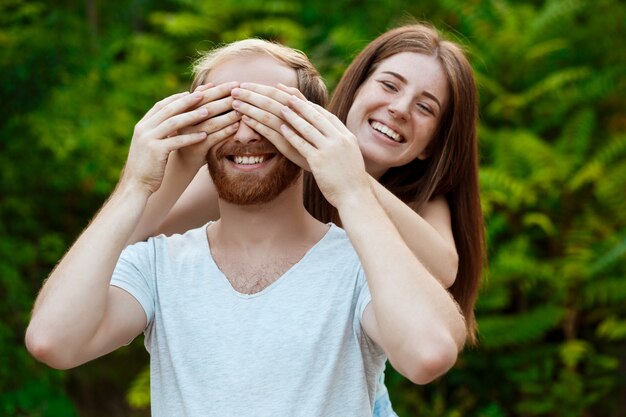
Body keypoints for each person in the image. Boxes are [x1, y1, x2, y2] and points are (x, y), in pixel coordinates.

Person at [25, 39, 466, 417]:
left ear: (311, 126)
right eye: (223, 109)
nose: (247, 131)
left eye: (270, 111)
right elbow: (52, 340)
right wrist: (138, 181)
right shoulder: (159, 264)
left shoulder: (370, 262)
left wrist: (350, 187)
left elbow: (431, 341)